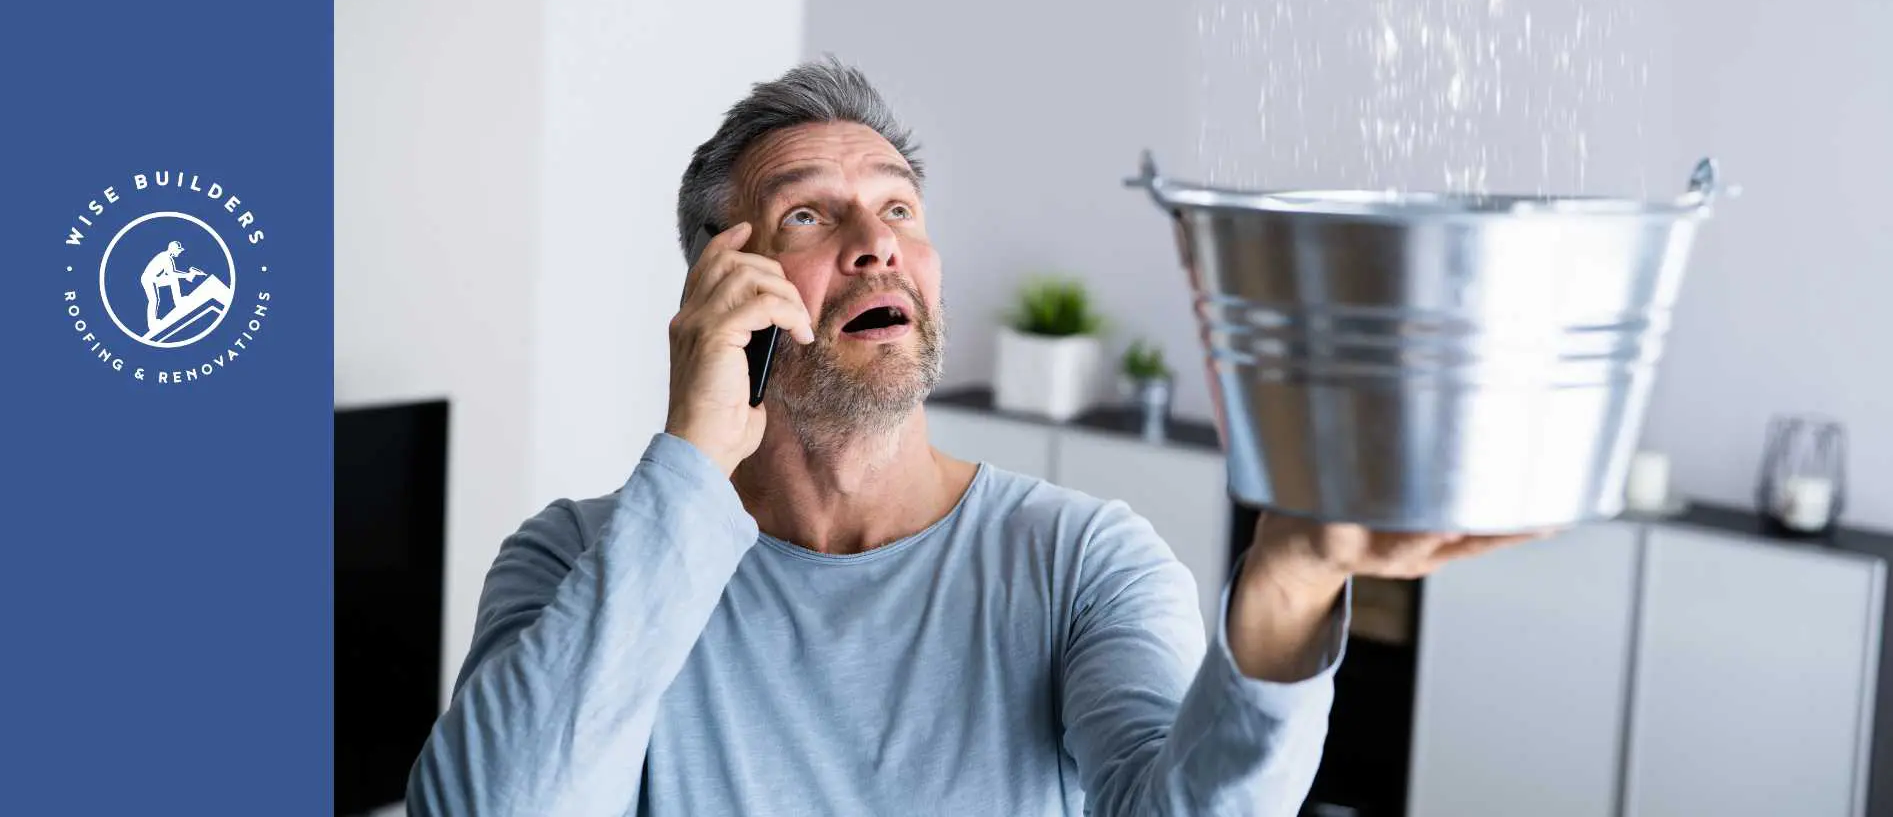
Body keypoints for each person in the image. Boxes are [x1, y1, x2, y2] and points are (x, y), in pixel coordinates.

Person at [407, 60, 1534, 816]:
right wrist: (694, 460)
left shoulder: (1082, 561)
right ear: (719, 284)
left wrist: (1286, 583)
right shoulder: (573, 565)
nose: (876, 243)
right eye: (809, 213)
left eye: (899, 209)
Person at [140, 240, 205, 332]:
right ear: (173, 249)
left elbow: (171, 274)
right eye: (178, 250)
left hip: (155, 278)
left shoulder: (167, 257)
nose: (179, 252)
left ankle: (178, 301)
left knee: (172, 280)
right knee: (154, 299)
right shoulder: (165, 257)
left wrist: (188, 275)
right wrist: (188, 275)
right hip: (148, 279)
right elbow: (172, 273)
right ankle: (152, 324)